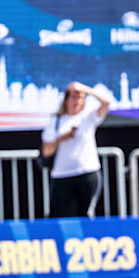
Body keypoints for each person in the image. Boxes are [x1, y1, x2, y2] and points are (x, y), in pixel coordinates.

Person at [42, 81, 113, 218]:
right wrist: (62, 138)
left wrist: (85, 89)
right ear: (66, 99)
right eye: (73, 97)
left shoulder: (88, 117)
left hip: (87, 172)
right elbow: (46, 152)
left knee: (86, 214)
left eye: (80, 98)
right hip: (62, 174)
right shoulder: (55, 121)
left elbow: (107, 102)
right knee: (57, 215)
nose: (76, 101)